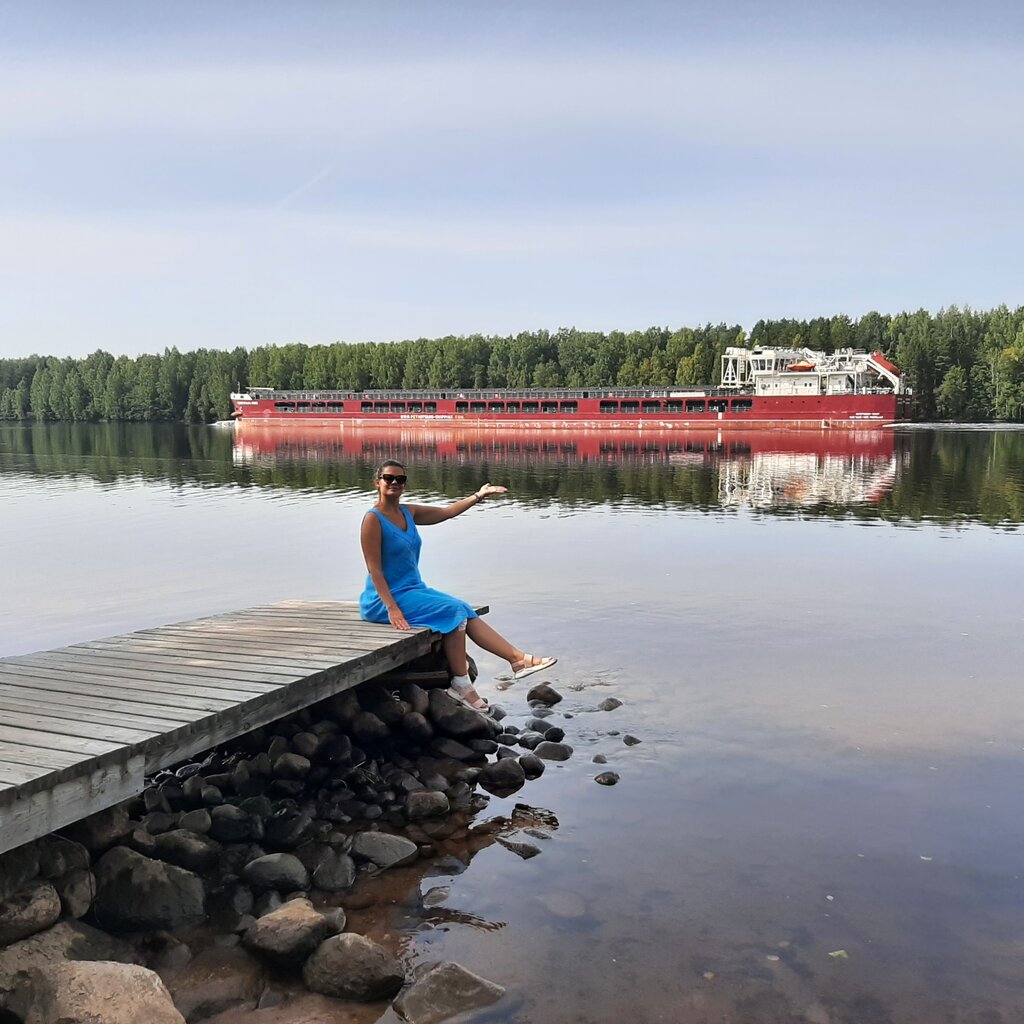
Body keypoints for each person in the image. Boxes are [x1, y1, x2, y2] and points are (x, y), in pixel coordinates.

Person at [359, 459, 556, 711]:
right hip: (384, 599)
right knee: (453, 611)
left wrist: (479, 495)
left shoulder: (408, 512)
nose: (395, 482)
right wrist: (392, 608)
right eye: (389, 478)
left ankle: (517, 661)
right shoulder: (373, 519)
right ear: (377, 482)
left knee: (463, 608)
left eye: (400, 479)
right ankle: (463, 684)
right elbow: (374, 569)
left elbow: (447, 512)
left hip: (413, 590)